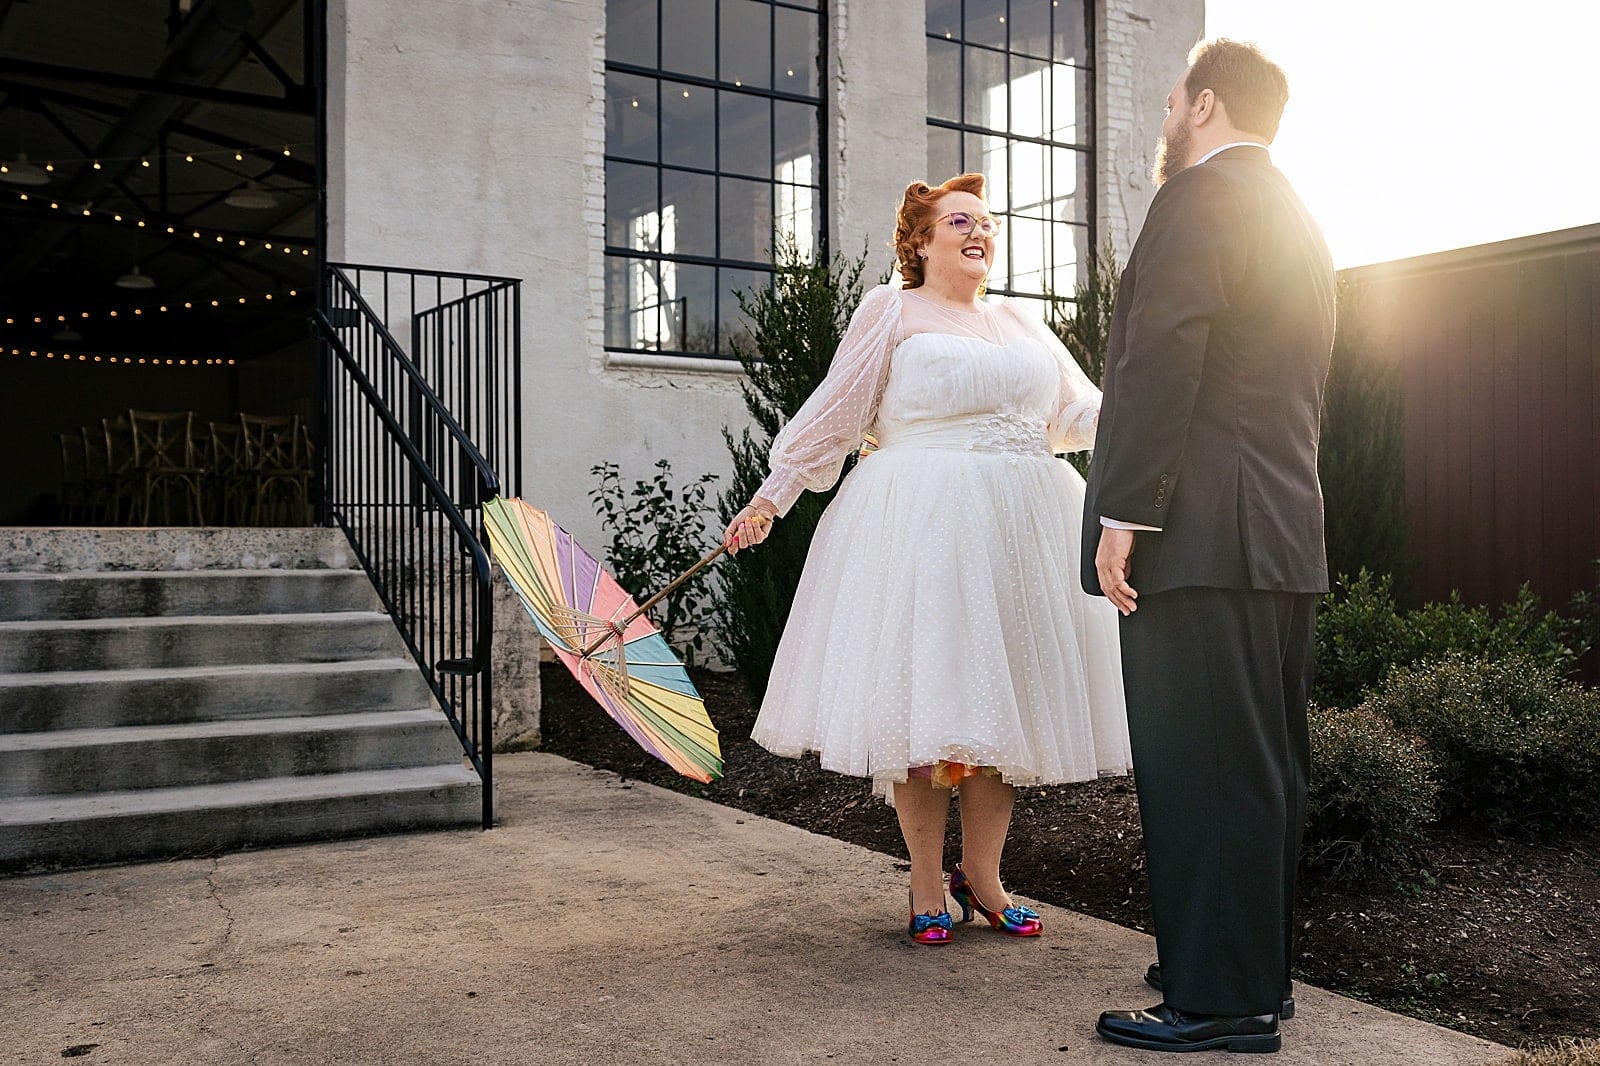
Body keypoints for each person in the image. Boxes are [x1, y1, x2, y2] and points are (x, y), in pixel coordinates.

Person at [722, 173, 1131, 946]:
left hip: (1024, 532)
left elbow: (1075, 414)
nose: (980, 232)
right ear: (919, 241)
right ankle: (922, 882)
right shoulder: (892, 309)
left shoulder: (1020, 322)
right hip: (924, 528)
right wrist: (771, 500)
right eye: (960, 221)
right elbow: (837, 413)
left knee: (1004, 714)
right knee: (929, 713)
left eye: (989, 223)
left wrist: (1150, 406)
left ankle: (983, 877)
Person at [1081, 39, 1336, 1054]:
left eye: (1172, 99)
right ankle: (1251, 975)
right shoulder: (1298, 217)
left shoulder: (1194, 197)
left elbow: (1162, 356)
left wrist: (1122, 513)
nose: (1164, 118)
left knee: (1204, 765)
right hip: (1278, 534)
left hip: (1198, 533)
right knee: (1264, 767)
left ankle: (1221, 1000)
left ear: (1205, 105)